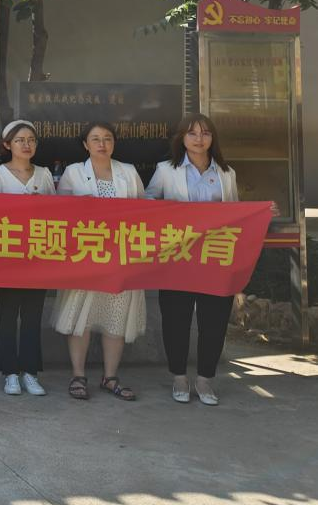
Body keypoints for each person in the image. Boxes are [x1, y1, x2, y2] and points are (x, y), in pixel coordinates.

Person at [146, 113, 240, 406]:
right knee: (176, 320)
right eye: (192, 133)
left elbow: (237, 213)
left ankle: (205, 379)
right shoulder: (166, 170)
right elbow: (147, 201)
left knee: (214, 321)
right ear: (182, 138)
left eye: (205, 133)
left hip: (215, 259)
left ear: (213, 138)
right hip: (177, 258)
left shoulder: (226, 173)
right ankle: (179, 377)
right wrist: (169, 211)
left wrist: (263, 212)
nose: (199, 139)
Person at [54, 121, 146, 402]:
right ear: (85, 144)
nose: (102, 144)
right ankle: (78, 375)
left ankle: (110, 377)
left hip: (121, 257)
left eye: (107, 138)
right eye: (95, 139)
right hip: (85, 257)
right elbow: (59, 214)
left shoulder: (128, 171)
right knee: (80, 318)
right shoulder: (73, 172)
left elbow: (146, 211)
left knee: (115, 319)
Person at [0, 120, 56, 397]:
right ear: (7, 145)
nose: (26, 145)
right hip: (8, 256)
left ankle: (31, 372)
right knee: (9, 313)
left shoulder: (44, 174)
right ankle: (10, 372)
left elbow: (56, 213)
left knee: (33, 316)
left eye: (31, 140)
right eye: (20, 140)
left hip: (38, 255)